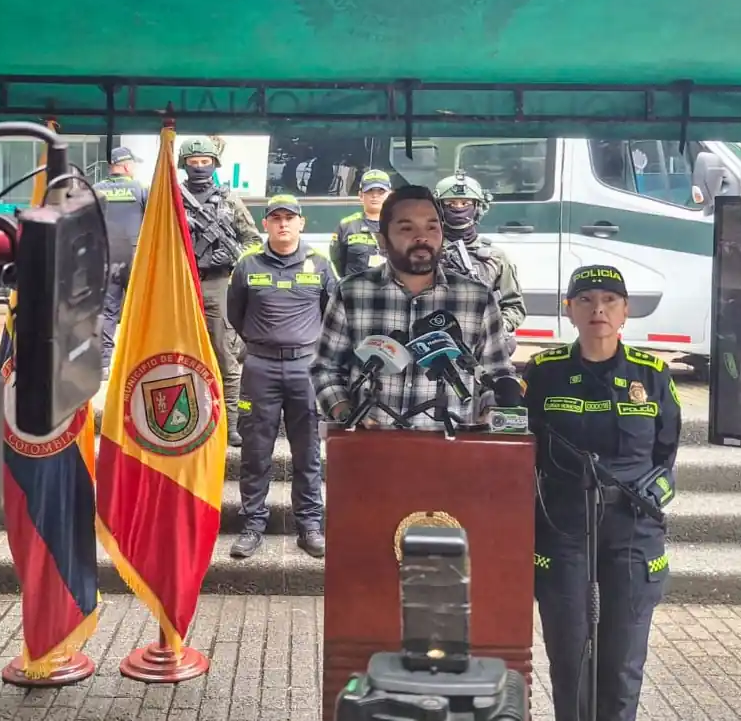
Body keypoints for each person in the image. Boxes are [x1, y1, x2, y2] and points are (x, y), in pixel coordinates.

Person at [523, 264, 680, 721]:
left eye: (610, 300)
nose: (599, 309)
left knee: (622, 662)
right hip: (564, 526)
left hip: (631, 530)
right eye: (587, 300)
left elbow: (666, 456)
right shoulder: (545, 372)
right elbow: (521, 446)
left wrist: (654, 497)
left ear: (625, 311)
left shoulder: (651, 374)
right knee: (569, 658)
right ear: (568, 310)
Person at [311, 184, 518, 431]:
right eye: (407, 228)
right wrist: (347, 413)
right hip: (370, 452)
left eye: (432, 227)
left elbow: (497, 374)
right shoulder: (351, 293)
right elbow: (325, 369)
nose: (422, 237)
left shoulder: (478, 298)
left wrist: (491, 411)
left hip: (451, 454)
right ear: (382, 239)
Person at [226, 194, 337, 559]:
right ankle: (253, 524)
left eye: (290, 218)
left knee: (308, 452)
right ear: (266, 224)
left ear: (302, 223)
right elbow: (236, 314)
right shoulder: (247, 264)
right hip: (260, 368)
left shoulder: (320, 264)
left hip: (306, 368)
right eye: (276, 218)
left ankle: (309, 525)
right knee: (256, 451)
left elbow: (333, 314)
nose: (283, 224)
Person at [176, 137, 260, 446]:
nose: (199, 167)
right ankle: (187, 420)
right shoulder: (172, 199)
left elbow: (252, 241)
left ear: (214, 164)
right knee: (181, 355)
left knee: (226, 358)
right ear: (184, 164)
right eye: (194, 162)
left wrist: (236, 265)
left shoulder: (229, 199)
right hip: (181, 284)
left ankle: (231, 425)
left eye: (205, 162)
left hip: (218, 283)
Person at [433, 172, 526, 332]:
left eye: (465, 203)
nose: (458, 208)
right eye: (451, 203)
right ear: (439, 208)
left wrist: (497, 328)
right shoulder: (427, 254)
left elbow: (514, 305)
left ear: (478, 207)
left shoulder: (495, 257)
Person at [94, 147, 149, 377]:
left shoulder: (95, 190)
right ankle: (140, 359)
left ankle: (103, 364)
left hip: (106, 257)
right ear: (127, 166)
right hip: (135, 256)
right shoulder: (140, 190)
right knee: (140, 309)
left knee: (107, 311)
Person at [329, 169, 391, 278]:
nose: (375, 196)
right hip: (356, 291)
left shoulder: (400, 226)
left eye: (380, 191)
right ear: (361, 196)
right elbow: (337, 262)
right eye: (370, 191)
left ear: (390, 195)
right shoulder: (347, 226)